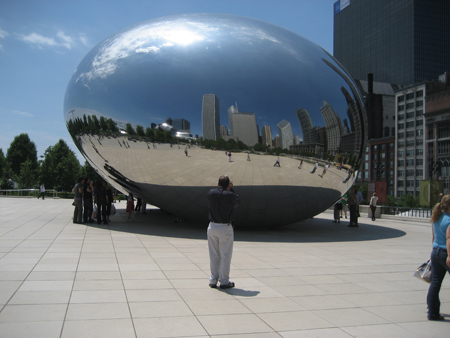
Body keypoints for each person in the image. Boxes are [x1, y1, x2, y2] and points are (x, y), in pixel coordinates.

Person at [207, 175, 241, 289]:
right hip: (225, 227)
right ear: (228, 184)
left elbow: (217, 193)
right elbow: (238, 202)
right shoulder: (230, 195)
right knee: (225, 255)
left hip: (212, 226)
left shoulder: (211, 193)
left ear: (217, 184)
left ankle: (213, 279)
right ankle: (224, 281)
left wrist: (225, 187)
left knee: (213, 255)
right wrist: (231, 188)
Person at [426, 195, 450, 321]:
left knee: (435, 283)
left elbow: (434, 237)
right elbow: (449, 238)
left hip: (436, 252)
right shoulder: (449, 220)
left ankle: (432, 312)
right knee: (436, 283)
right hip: (447, 253)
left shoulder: (436, 217)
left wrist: (434, 252)